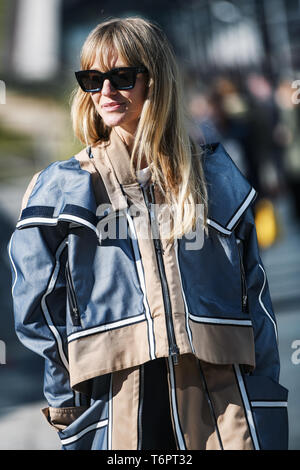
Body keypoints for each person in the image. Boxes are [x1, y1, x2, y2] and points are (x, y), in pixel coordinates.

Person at [8, 17, 288, 451]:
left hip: (222, 396)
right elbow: (38, 306)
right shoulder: (64, 187)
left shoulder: (215, 177)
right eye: (92, 78)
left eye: (121, 77)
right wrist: (65, 402)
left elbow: (256, 292)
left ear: (154, 81)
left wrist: (266, 385)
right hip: (115, 399)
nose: (106, 92)